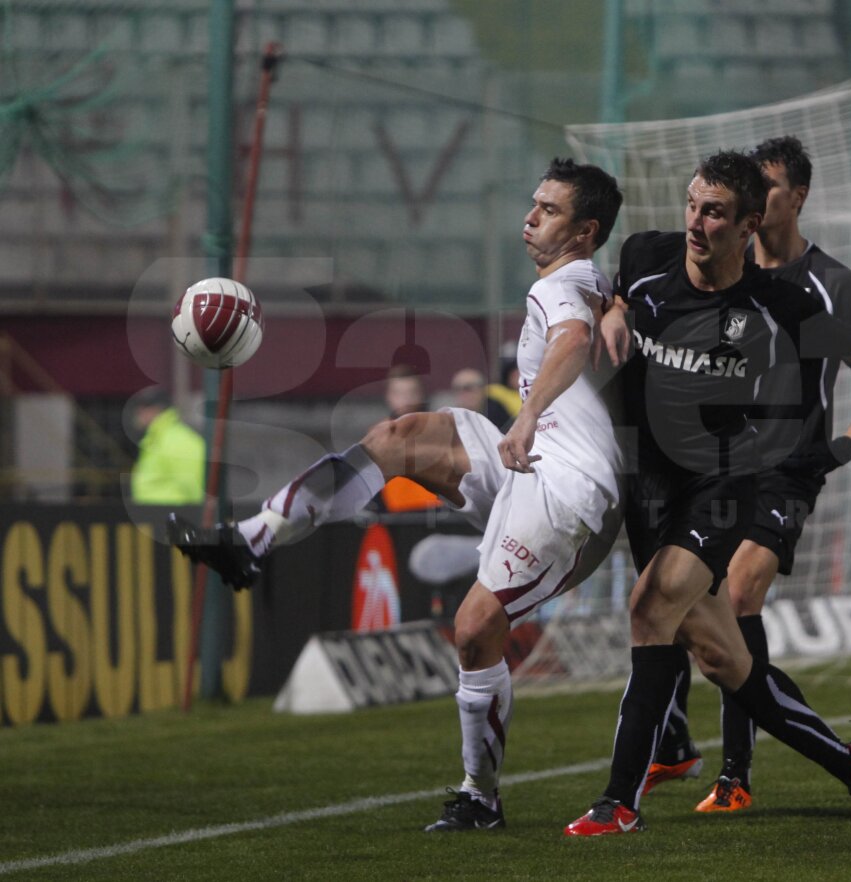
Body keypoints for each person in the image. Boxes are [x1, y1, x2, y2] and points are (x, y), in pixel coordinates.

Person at [563, 149, 851, 836]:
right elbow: (604, 293)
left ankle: (619, 802)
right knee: (729, 663)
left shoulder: (779, 304)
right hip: (648, 484)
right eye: (693, 205)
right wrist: (610, 309)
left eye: (716, 213)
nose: (697, 223)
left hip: (722, 487)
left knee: (650, 607)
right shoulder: (644, 257)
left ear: (749, 224)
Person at [168, 157, 625, 833]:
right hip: (531, 468)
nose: (529, 217)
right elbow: (596, 314)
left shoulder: (567, 285)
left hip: (568, 490)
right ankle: (251, 542)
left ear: (585, 231)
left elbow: (574, 338)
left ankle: (480, 795)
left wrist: (528, 416)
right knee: (401, 436)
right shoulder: (584, 278)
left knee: (473, 629)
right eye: (533, 203)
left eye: (549, 210)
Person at [649, 135, 851, 814]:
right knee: (678, 602)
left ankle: (734, 776)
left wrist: (841, 448)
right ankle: (675, 746)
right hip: (718, 468)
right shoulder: (719, 272)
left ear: (797, 198)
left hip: (789, 468)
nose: (758, 199)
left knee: (738, 590)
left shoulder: (831, 284)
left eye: (771, 187)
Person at [128, 387, 206, 505]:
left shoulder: (178, 440)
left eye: (144, 408)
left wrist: (197, 518)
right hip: (157, 516)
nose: (139, 413)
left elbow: (195, 486)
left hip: (173, 516)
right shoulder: (156, 439)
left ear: (157, 409)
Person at [379, 364, 441, 512]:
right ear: (389, 396)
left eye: (411, 393)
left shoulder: (439, 431)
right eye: (399, 393)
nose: (406, 399)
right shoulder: (378, 436)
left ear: (420, 394)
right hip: (394, 518)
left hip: (435, 514)